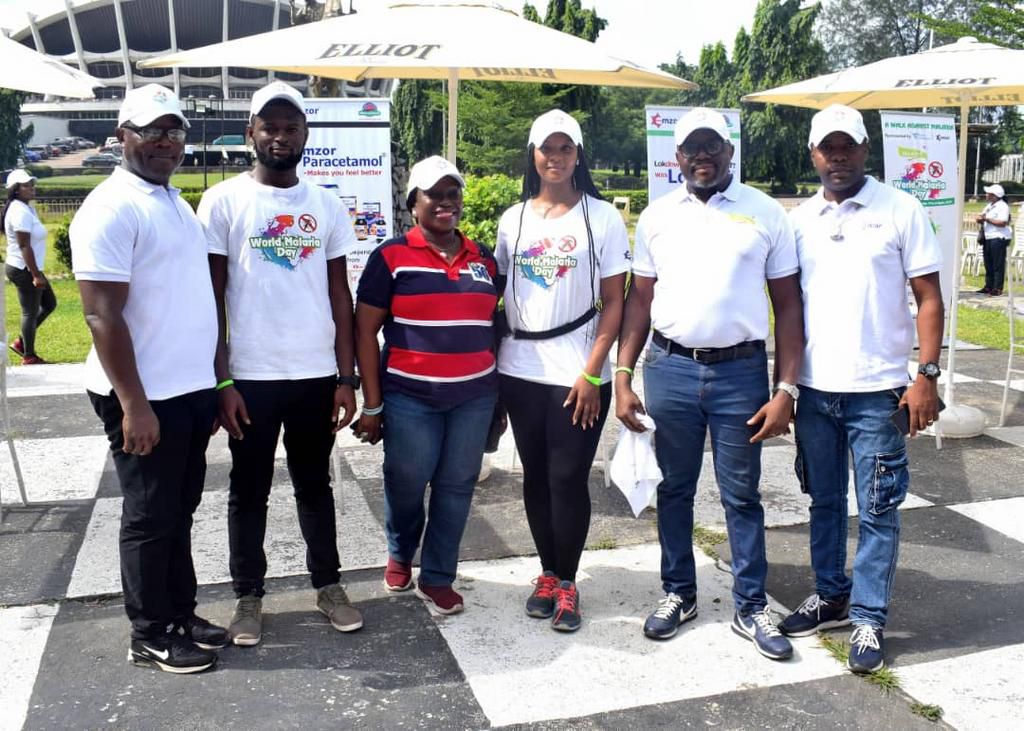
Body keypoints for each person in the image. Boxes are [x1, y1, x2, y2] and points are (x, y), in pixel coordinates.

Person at [615, 108, 804, 660]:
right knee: (673, 490)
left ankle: (750, 606)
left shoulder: (765, 212)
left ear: (729, 151)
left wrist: (785, 388)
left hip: (740, 372)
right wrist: (623, 376)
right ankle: (679, 592)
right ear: (677, 158)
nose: (702, 156)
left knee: (741, 495)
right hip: (669, 368)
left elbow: (789, 307)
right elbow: (639, 302)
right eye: (691, 148)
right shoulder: (656, 217)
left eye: (712, 147)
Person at [779, 104, 944, 674]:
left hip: (877, 391)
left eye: (848, 145)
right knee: (823, 501)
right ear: (813, 154)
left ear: (865, 150)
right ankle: (831, 595)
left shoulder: (900, 209)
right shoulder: (798, 220)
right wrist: (786, 384)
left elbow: (928, 297)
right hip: (816, 391)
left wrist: (926, 374)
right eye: (828, 146)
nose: (838, 155)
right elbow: (787, 307)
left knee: (877, 508)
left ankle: (869, 618)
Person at [70, 83, 228, 674]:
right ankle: (149, 633)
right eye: (151, 130)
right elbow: (100, 315)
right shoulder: (111, 206)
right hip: (142, 396)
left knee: (178, 509)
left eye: (174, 131)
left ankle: (180, 613)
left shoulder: (173, 202)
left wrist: (214, 384)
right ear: (122, 138)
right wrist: (134, 405)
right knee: (148, 513)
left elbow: (191, 302)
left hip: (185, 390)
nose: (165, 141)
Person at [196, 81, 361, 646]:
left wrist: (346, 377)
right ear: (251, 134)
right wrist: (221, 379)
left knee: (315, 485)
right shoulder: (222, 202)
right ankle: (248, 597)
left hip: (315, 375)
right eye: (270, 126)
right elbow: (211, 300)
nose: (280, 136)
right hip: (250, 378)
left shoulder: (325, 204)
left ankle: (329, 586)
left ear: (305, 136)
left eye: (291, 127)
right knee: (249, 488)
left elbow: (342, 297)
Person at [495, 109, 630, 632]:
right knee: (535, 476)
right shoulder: (515, 218)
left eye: (565, 149)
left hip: (577, 371)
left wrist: (595, 373)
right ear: (533, 154)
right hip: (520, 368)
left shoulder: (602, 217)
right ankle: (547, 572)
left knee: (569, 476)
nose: (555, 158)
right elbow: (502, 296)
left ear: (578, 155)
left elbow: (614, 302)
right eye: (546, 149)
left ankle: (569, 582)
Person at [353, 155, 499, 616]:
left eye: (453, 193)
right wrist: (372, 404)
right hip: (410, 397)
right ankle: (400, 550)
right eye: (434, 194)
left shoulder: (484, 259)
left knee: (456, 486)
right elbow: (364, 331)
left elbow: (495, 326)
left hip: (473, 396)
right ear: (413, 202)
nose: (445, 203)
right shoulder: (391, 258)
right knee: (407, 480)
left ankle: (437, 576)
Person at [4, 169, 56, 365]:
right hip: (23, 268)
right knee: (30, 312)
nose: (31, 188)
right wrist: (35, 274)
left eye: (32, 184)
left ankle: (21, 343)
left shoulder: (26, 208)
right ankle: (29, 355)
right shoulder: (18, 211)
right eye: (26, 185)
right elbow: (24, 245)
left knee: (49, 304)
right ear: (15, 190)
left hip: (30, 267)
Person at [977, 183, 1011, 296]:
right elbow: (982, 216)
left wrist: (986, 219)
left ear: (995, 195)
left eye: (989, 193)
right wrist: (980, 219)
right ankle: (988, 286)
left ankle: (997, 288)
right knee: (988, 263)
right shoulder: (989, 206)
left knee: (998, 264)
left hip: (998, 237)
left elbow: (1002, 222)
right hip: (988, 237)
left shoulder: (1003, 206)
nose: (986, 195)